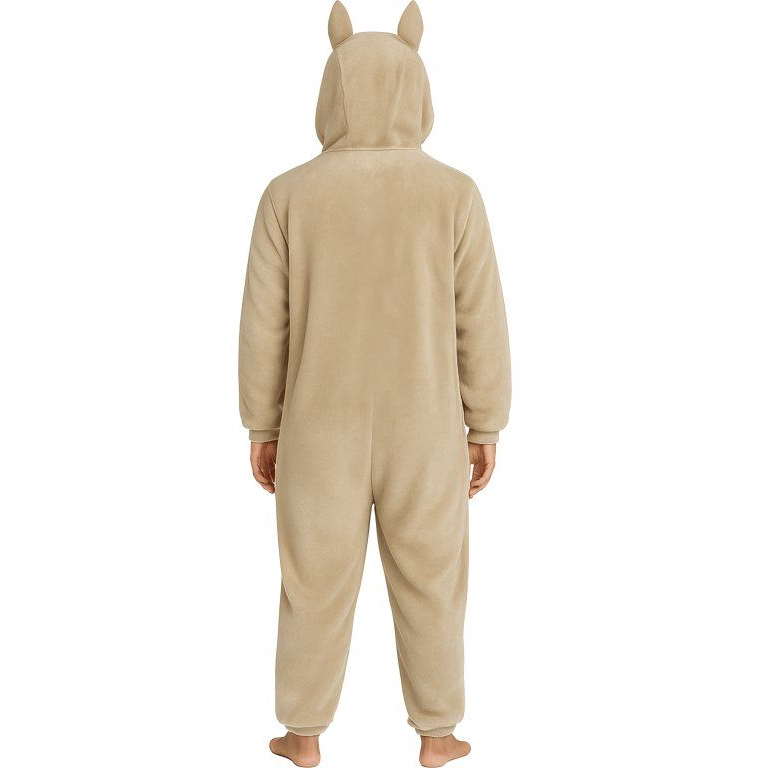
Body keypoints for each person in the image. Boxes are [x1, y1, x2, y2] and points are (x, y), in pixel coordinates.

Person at [238, 3, 510, 766]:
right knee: (433, 578)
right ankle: (437, 733)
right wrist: (485, 423)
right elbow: (480, 318)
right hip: (426, 428)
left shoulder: (288, 195)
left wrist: (262, 425)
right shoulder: (454, 194)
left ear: (334, 89)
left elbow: (264, 325)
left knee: (312, 580)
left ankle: (302, 733)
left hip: (317, 430)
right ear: (417, 87)